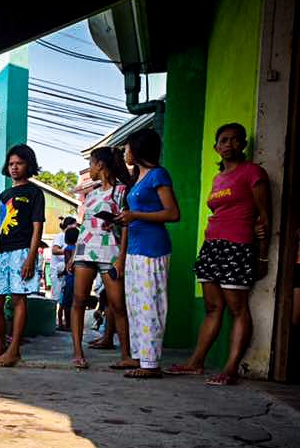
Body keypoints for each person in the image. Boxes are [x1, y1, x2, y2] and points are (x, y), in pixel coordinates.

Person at [166, 123, 270, 385]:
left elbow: (265, 218)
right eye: (223, 140)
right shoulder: (218, 178)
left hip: (237, 245)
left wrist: (262, 256)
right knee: (213, 307)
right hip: (212, 246)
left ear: (243, 144)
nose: (229, 144)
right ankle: (195, 363)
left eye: (235, 140)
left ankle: (231, 368)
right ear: (216, 147)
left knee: (237, 309)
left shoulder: (253, 173)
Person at [115, 128, 180, 379]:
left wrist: (135, 216)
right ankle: (142, 358)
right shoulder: (137, 179)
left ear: (139, 149)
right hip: (135, 249)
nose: (125, 152)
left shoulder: (158, 175)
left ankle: (151, 364)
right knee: (135, 306)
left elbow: (173, 213)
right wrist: (125, 220)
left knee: (150, 304)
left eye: (128, 147)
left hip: (153, 248)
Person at [69, 147, 136, 370]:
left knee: (118, 305)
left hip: (111, 252)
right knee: (78, 301)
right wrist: (73, 255)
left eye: (91, 164)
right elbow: (84, 225)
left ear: (100, 165)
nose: (90, 169)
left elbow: (126, 226)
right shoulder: (92, 193)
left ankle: (126, 354)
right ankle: (78, 353)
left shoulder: (123, 191)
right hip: (85, 251)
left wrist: (122, 258)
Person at [0, 144, 46, 367]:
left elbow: (37, 228)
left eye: (19, 163)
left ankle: (14, 350)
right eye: (11, 164)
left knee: (19, 299)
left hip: (22, 252)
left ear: (28, 164)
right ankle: (1, 344)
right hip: (2, 253)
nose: (14, 167)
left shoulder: (34, 192)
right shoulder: (5, 194)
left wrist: (31, 257)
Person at [51, 216, 77, 331]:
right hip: (60, 272)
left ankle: (65, 323)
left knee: (65, 300)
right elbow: (55, 250)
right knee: (59, 298)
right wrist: (71, 251)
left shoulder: (74, 243)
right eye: (74, 224)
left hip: (66, 274)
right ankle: (60, 322)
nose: (76, 227)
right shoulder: (60, 237)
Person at [61, 226, 78, 342]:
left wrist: (63, 272)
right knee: (75, 302)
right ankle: (73, 324)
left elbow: (68, 263)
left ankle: (68, 324)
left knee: (67, 302)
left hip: (70, 278)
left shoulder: (67, 249)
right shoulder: (78, 248)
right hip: (78, 278)